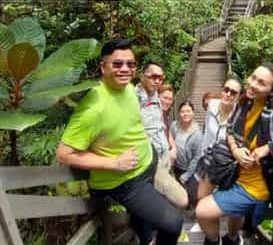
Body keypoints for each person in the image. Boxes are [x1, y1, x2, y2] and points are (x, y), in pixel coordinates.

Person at [55, 39, 184, 245]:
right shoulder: (93, 108)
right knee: (174, 223)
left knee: (143, 219)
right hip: (126, 181)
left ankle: (145, 239)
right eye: (117, 64)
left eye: (130, 64)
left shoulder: (129, 89)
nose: (125, 69)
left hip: (147, 163)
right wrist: (114, 163)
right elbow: (64, 154)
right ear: (103, 67)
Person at [195, 64, 273, 245]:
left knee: (202, 211)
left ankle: (213, 241)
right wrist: (236, 150)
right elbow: (229, 130)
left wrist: (269, 148)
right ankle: (232, 239)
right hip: (237, 171)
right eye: (253, 78)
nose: (253, 84)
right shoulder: (245, 103)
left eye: (261, 83)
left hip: (257, 186)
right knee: (231, 212)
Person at [135, 63, 188, 210]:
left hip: (165, 157)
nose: (157, 81)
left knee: (162, 199)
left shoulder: (155, 97)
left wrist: (172, 148)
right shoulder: (134, 98)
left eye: (160, 77)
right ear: (143, 76)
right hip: (151, 161)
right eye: (153, 77)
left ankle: (160, 229)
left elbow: (161, 127)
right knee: (181, 199)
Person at [195, 78, 242, 203]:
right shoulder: (211, 106)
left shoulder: (240, 116)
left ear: (238, 96)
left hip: (224, 165)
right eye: (226, 90)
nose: (228, 94)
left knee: (220, 201)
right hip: (208, 159)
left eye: (233, 92)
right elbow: (206, 133)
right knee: (202, 197)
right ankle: (201, 221)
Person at [171, 101, 203, 206]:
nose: (185, 114)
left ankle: (196, 215)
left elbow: (197, 158)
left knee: (193, 195)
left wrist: (187, 175)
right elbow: (170, 141)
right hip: (176, 166)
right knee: (179, 192)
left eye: (188, 111)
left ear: (193, 113)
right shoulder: (174, 126)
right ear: (179, 113)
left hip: (191, 169)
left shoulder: (197, 134)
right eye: (182, 111)